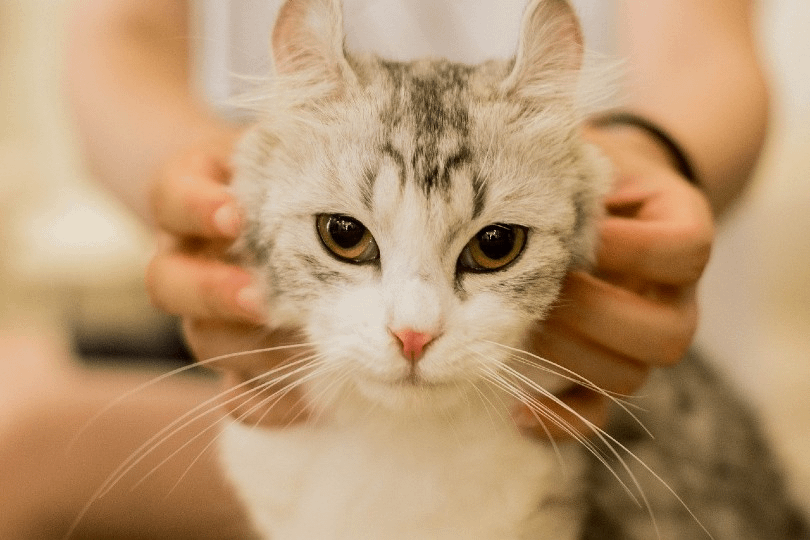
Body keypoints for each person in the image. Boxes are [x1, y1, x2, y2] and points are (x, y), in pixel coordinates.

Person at [2, 0, 768, 537]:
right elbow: (120, 33)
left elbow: (708, 51)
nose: (414, 326)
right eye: (347, 236)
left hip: (562, 384)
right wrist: (205, 195)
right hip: (268, 340)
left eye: (492, 246)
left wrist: (650, 158)